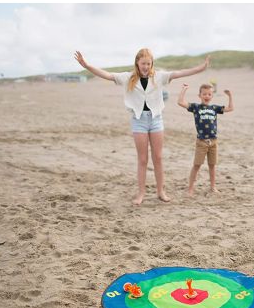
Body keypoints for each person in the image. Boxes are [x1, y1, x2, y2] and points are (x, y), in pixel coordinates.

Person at [74, 49, 209, 205]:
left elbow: (180, 73)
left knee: (158, 158)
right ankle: (141, 193)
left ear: (152, 64)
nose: (146, 66)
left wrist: (201, 68)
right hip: (139, 121)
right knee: (143, 159)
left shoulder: (159, 76)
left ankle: (161, 191)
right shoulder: (128, 77)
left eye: (149, 63)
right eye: (143, 63)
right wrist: (86, 65)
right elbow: (107, 75)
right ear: (137, 63)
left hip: (156, 120)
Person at [177, 82, 234, 195]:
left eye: (209, 94)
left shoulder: (214, 108)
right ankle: (190, 188)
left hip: (213, 141)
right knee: (197, 165)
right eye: (204, 94)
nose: (207, 96)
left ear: (212, 96)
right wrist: (184, 89)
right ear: (200, 95)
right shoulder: (196, 107)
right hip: (201, 142)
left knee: (212, 166)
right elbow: (180, 102)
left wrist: (230, 95)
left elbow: (230, 108)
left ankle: (213, 187)